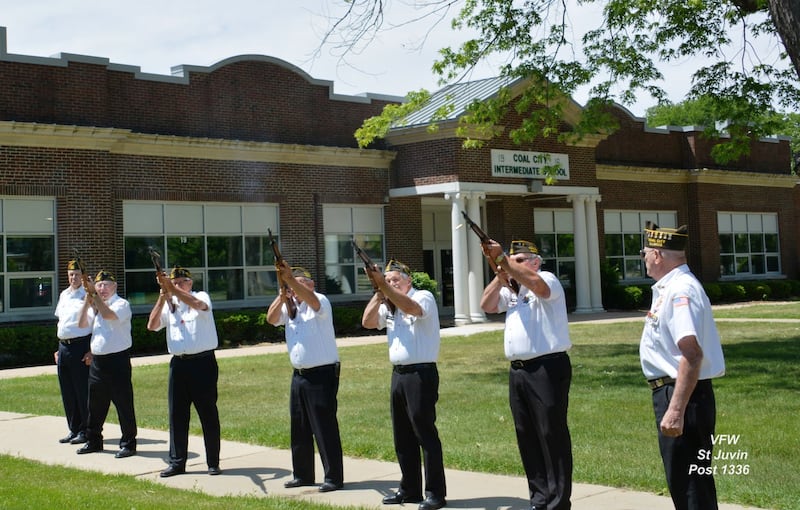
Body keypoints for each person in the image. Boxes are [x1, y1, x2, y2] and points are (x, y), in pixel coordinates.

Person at [479, 240, 573, 510]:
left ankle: (558, 502)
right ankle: (539, 499)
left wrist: (504, 261)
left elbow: (540, 289)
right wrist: (500, 274)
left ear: (535, 261)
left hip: (546, 368)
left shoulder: (546, 278)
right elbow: (486, 304)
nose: (514, 263)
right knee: (527, 435)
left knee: (550, 434)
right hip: (519, 371)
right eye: (512, 259)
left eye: (520, 260)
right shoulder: (513, 290)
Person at [639, 222, 726, 510]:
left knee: (691, 489)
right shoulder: (672, 287)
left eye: (646, 253)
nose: (644, 258)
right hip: (679, 393)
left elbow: (692, 354)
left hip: (683, 396)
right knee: (686, 485)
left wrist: (675, 410)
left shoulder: (680, 291)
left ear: (658, 255)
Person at [361, 259, 447, 510]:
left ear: (408, 280)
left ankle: (435, 493)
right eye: (387, 280)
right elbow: (367, 322)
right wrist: (379, 293)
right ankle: (410, 490)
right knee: (402, 437)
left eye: (395, 279)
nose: (391, 283)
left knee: (425, 435)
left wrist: (384, 288)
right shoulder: (388, 303)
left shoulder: (423, 296)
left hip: (421, 374)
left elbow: (412, 309)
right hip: (398, 375)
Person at [266, 264, 344, 493]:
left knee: (324, 427)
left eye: (301, 283)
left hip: (321, 374)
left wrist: (290, 282)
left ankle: (333, 477)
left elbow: (312, 300)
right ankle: (303, 474)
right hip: (299, 375)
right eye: (293, 283)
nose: (295, 287)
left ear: (311, 285)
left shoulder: (319, 301)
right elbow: (271, 319)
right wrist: (282, 296)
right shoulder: (290, 306)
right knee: (299, 427)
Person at [147, 266, 222, 477]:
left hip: (203, 363)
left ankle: (213, 462)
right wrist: (162, 297)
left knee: (208, 413)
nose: (178, 285)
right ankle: (177, 462)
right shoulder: (170, 303)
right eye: (175, 282)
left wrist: (172, 289)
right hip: (178, 364)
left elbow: (199, 305)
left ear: (190, 283)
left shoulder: (200, 296)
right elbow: (152, 326)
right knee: (177, 415)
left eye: (182, 281)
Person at [76, 269, 138, 458]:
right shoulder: (95, 305)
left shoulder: (121, 304)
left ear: (115, 287)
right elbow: (80, 325)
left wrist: (94, 296)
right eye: (99, 285)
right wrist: (88, 300)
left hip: (117, 361)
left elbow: (110, 316)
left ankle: (128, 443)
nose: (102, 288)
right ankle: (93, 440)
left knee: (123, 403)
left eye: (106, 285)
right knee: (94, 405)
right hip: (98, 362)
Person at [54, 259, 92, 445]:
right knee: (67, 391)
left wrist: (91, 350)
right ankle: (73, 428)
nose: (73, 278)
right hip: (64, 347)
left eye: (77, 274)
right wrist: (58, 348)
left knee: (81, 390)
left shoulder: (88, 295)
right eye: (71, 274)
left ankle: (86, 430)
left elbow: (95, 325)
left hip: (81, 346)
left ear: (82, 276)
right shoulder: (64, 295)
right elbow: (62, 322)